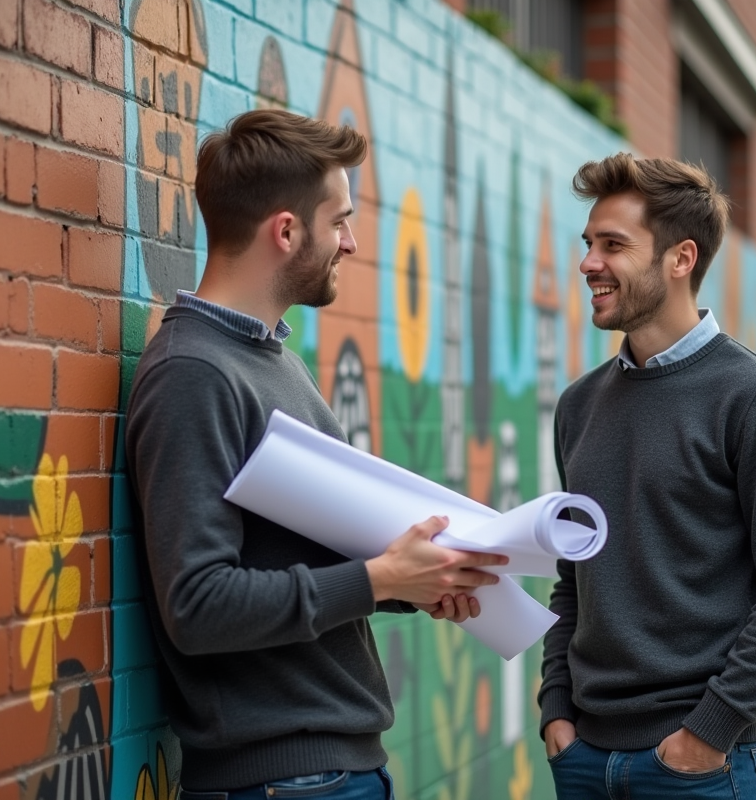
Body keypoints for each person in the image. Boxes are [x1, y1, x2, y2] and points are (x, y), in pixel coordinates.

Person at [125, 110, 507, 800]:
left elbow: (297, 557)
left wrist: (415, 583)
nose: (352, 242)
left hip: (328, 771)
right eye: (340, 222)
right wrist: (379, 580)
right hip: (284, 780)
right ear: (286, 231)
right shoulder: (194, 374)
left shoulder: (271, 360)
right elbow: (198, 604)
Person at [538, 153, 756, 800]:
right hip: (586, 759)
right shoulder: (578, 406)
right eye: (588, 244)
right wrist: (556, 708)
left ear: (680, 259)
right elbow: (575, 573)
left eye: (612, 245)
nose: (588, 262)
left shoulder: (755, 400)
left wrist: (710, 730)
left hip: (699, 767)